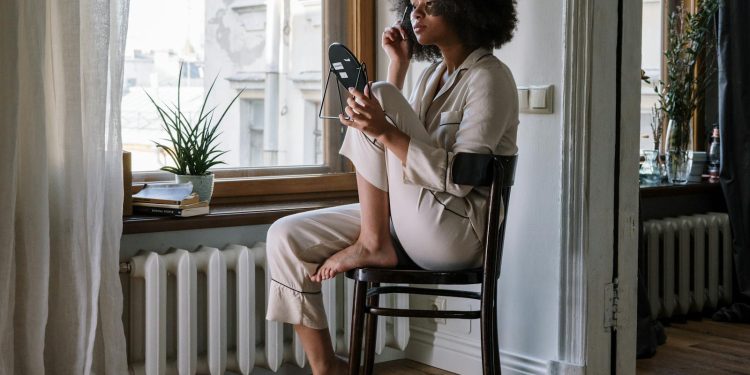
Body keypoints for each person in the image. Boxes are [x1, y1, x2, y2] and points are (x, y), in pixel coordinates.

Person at [265, 0, 519, 373]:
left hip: (455, 234)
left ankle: (372, 242)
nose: (416, 14)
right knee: (284, 236)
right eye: (412, 5)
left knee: (376, 97)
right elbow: (393, 147)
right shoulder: (432, 77)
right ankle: (326, 367)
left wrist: (382, 124)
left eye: (430, 6)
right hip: (412, 219)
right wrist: (398, 66)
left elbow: (463, 178)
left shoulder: (490, 77)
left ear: (466, 9)